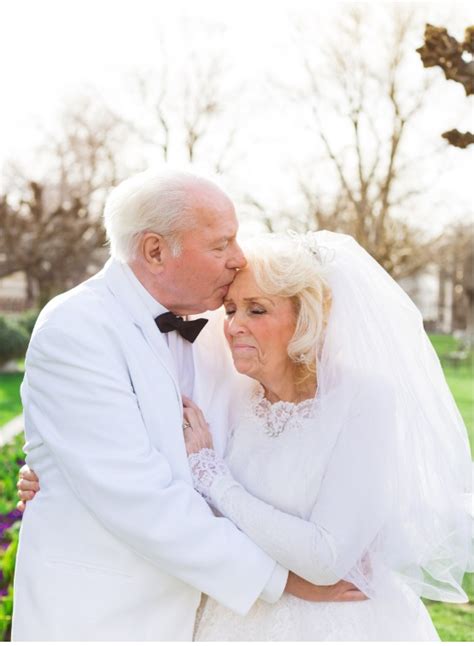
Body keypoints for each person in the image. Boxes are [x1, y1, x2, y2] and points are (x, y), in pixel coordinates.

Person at [12, 171, 362, 641]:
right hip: (103, 619)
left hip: (205, 618)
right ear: (155, 251)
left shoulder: (221, 331)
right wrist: (279, 580)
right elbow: (136, 496)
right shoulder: (75, 328)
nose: (238, 259)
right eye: (221, 245)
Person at [178, 231, 472, 640]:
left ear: (307, 319)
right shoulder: (235, 397)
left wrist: (213, 479)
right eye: (230, 309)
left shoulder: (363, 400)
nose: (233, 326)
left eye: (256, 310)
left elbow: (326, 558)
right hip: (237, 612)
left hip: (337, 621)